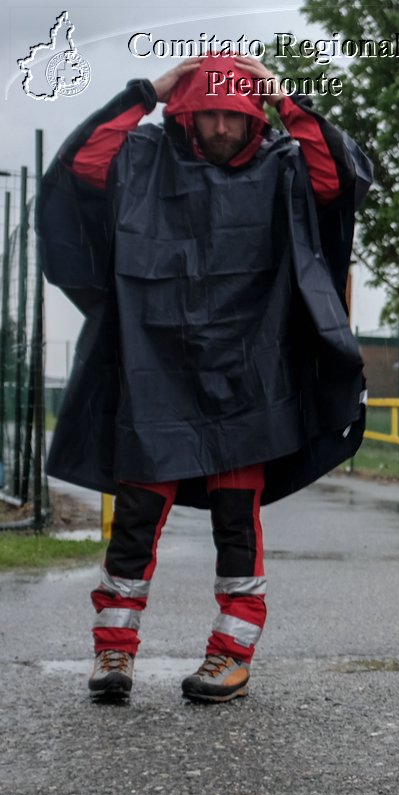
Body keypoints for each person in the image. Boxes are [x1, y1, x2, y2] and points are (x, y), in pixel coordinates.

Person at [38, 54, 370, 704]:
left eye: (234, 114)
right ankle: (114, 649)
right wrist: (149, 91)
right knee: (135, 518)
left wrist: (285, 98)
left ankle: (231, 655)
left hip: (248, 375)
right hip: (153, 370)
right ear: (184, 114)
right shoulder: (144, 156)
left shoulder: (283, 165)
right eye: (207, 112)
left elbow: (337, 177)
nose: (220, 126)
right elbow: (81, 166)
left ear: (255, 117)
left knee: (235, 521)